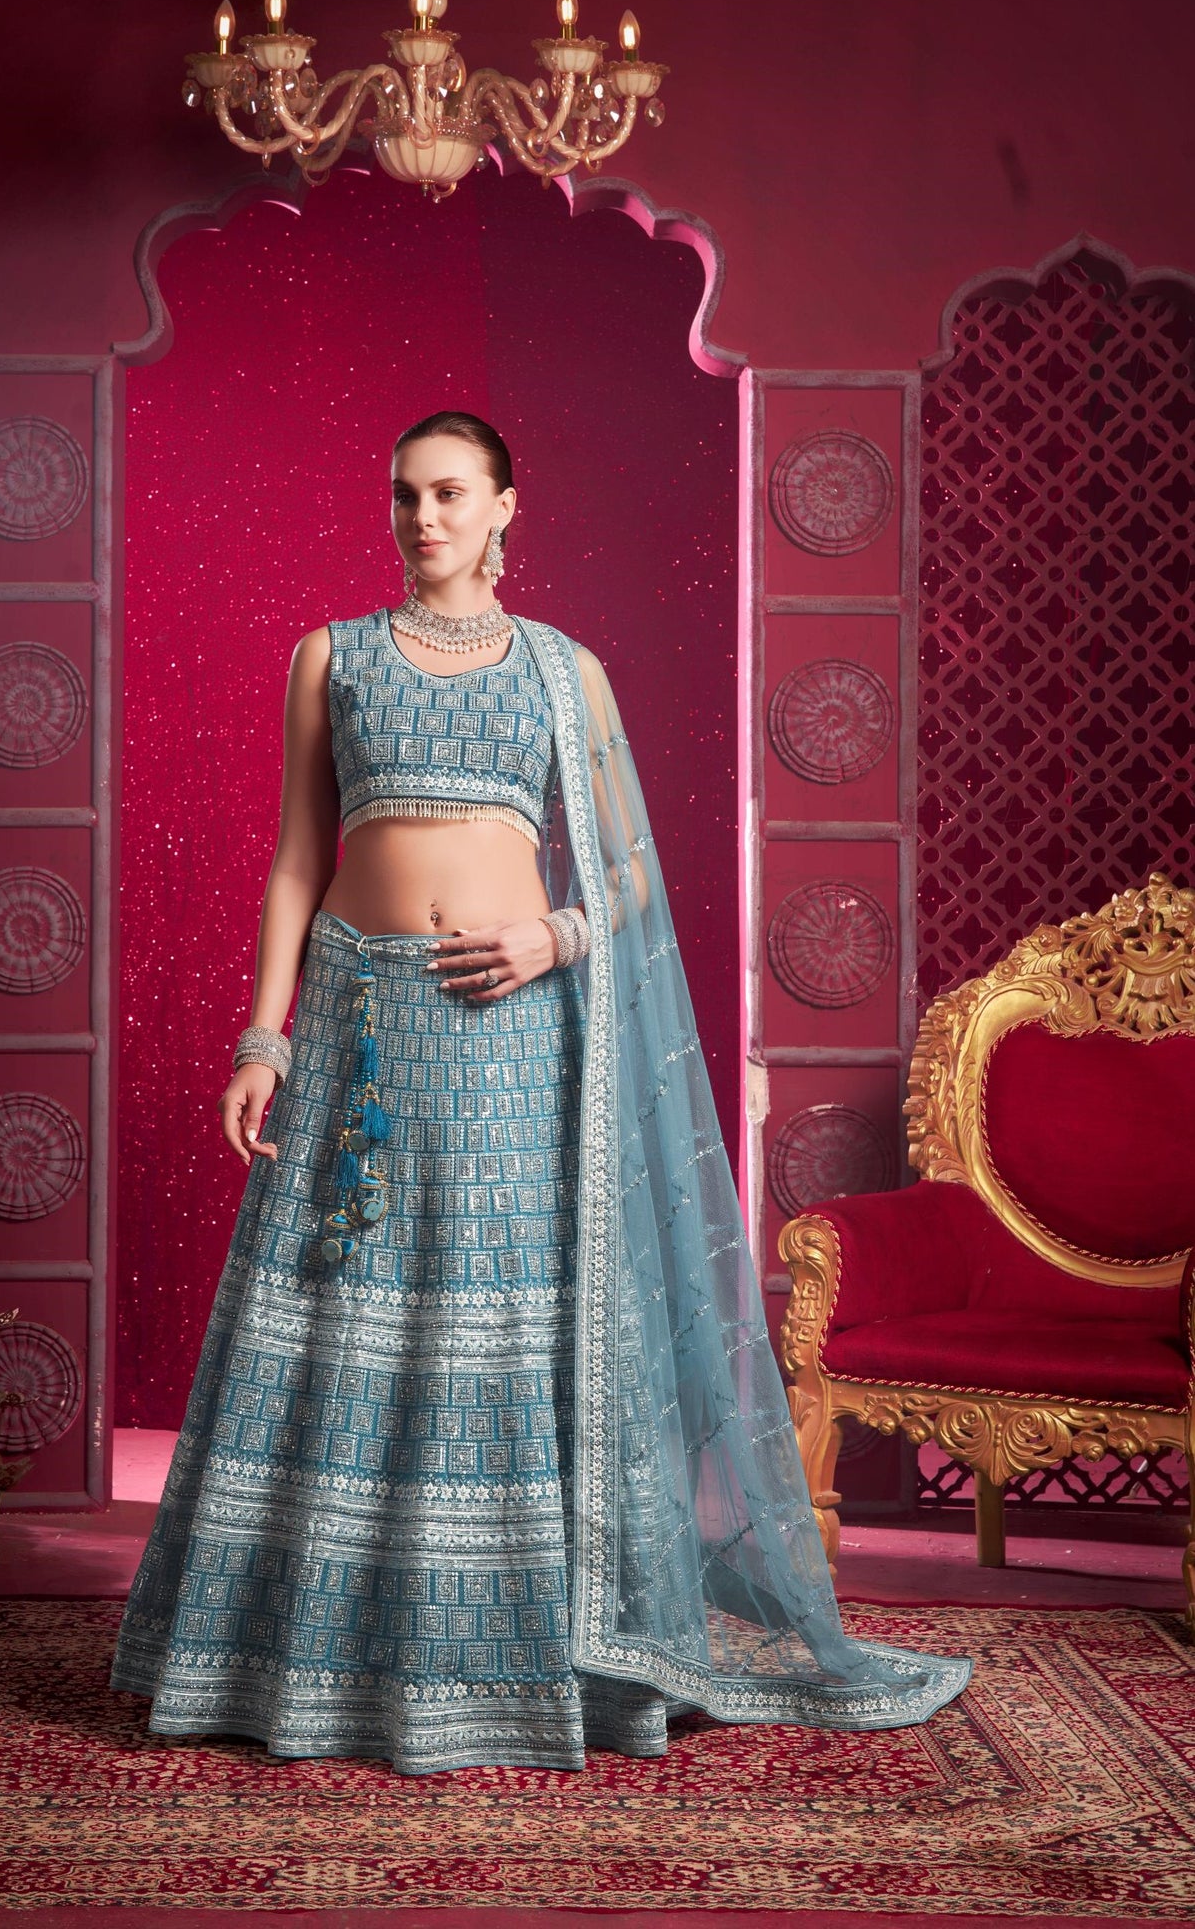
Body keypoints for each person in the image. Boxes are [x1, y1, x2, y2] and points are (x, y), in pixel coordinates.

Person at [109, 410, 970, 1774]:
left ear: (506, 505)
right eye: (405, 495)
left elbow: (626, 875)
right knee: (338, 1316)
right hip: (363, 1024)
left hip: (512, 1038)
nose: (423, 519)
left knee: (497, 1329)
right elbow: (296, 859)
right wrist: (260, 1038)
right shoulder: (331, 658)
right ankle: (303, 1660)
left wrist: (551, 938)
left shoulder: (567, 674)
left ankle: (518, 1663)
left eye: (450, 493)